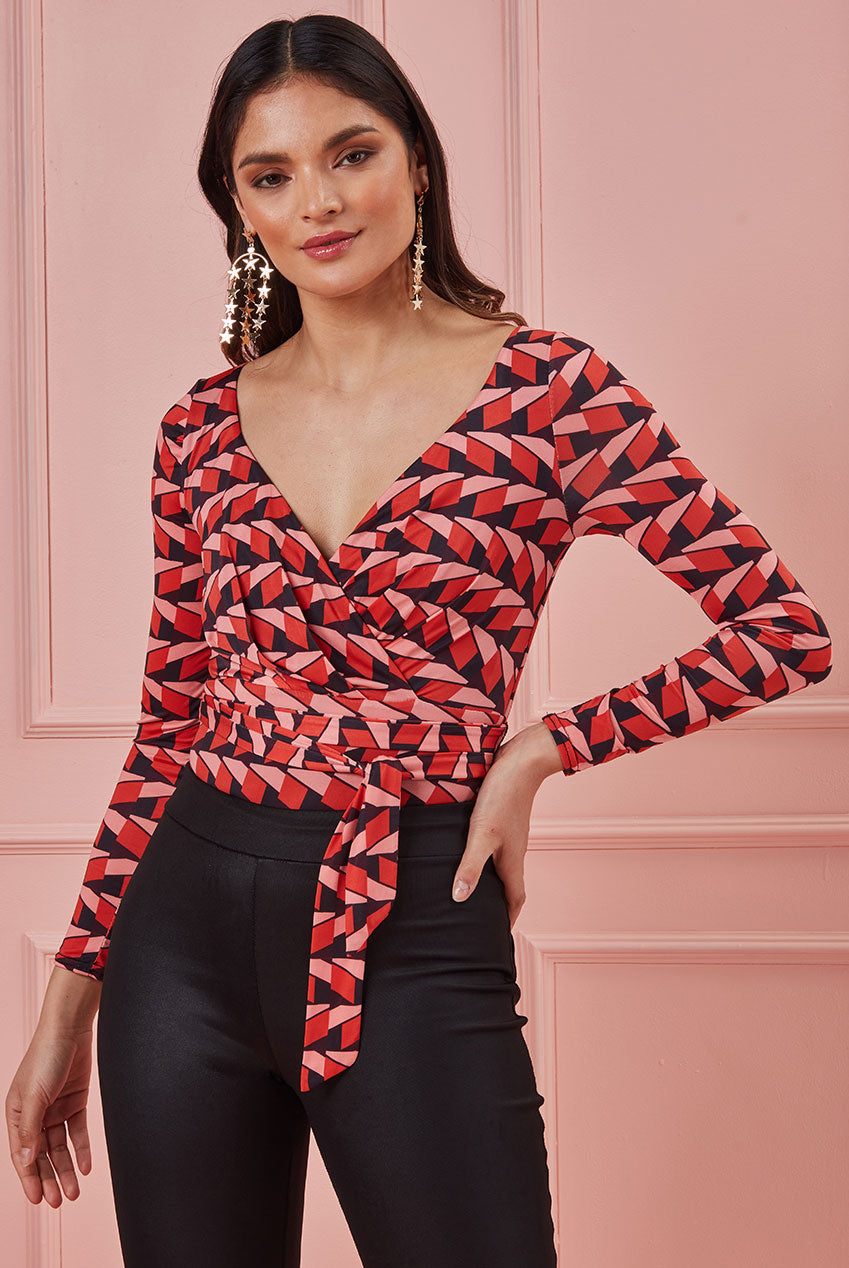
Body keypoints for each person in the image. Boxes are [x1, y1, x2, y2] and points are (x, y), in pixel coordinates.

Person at [5, 13, 833, 1268]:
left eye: (353, 153)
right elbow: (170, 721)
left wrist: (541, 748)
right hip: (179, 933)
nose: (319, 202)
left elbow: (783, 631)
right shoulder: (199, 430)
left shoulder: (552, 394)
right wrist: (72, 993)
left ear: (419, 162)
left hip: (414, 910)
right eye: (270, 175)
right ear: (239, 208)